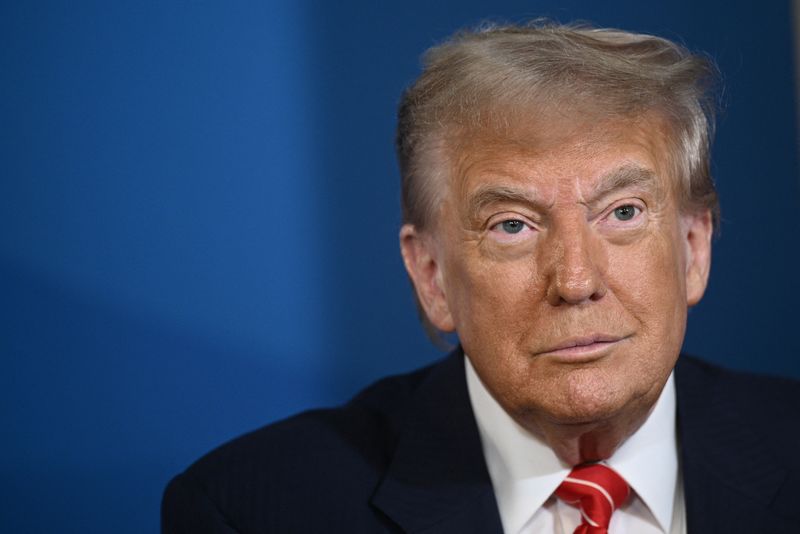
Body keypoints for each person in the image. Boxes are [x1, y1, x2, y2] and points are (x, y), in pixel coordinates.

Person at [162, 22, 800, 533]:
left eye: (623, 212)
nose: (576, 281)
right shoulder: (249, 510)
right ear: (432, 275)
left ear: (694, 247)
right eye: (513, 225)